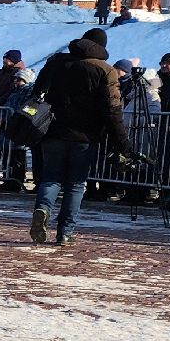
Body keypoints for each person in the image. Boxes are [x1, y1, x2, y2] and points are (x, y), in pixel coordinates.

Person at [30, 27, 128, 247]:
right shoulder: (105, 70)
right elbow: (112, 108)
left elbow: (37, 92)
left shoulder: (56, 62)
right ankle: (65, 233)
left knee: (50, 177)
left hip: (52, 130)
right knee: (76, 184)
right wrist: (121, 140)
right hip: (85, 135)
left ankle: (43, 209)